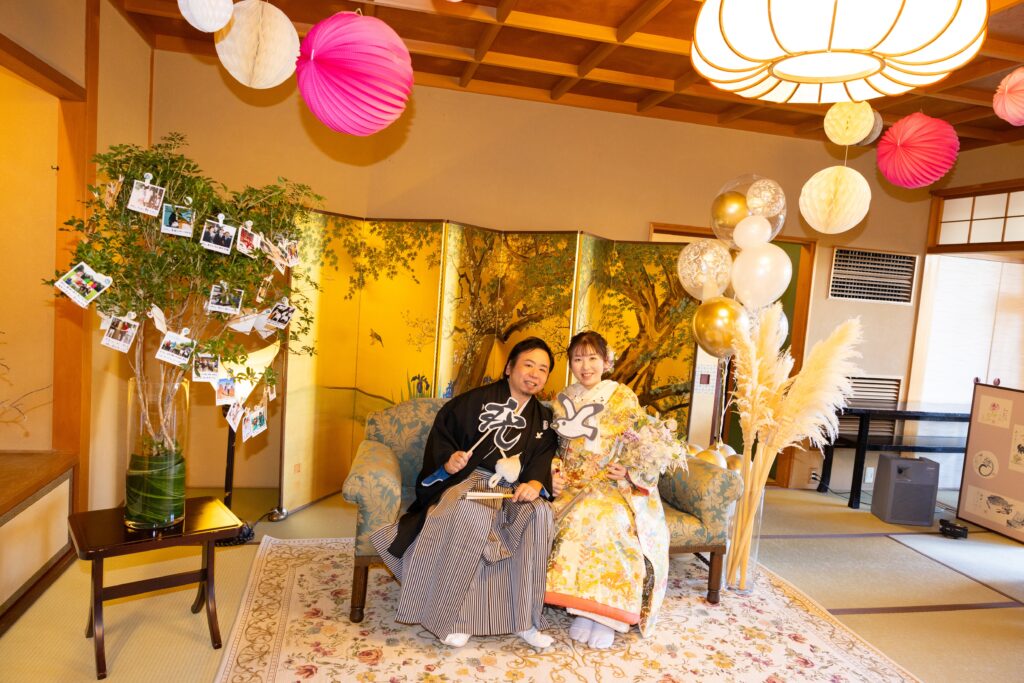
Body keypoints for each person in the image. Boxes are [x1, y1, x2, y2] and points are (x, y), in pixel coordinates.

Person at [371, 337, 559, 649]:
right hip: (471, 481)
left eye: (543, 369)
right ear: (509, 367)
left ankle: (524, 619)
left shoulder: (543, 418)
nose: (535, 374)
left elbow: (542, 458)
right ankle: (455, 619)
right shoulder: (472, 402)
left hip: (512, 489)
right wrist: (449, 461)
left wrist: (536, 484)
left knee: (539, 514)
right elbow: (443, 439)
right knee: (472, 513)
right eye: (528, 365)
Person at [545, 331, 670, 649]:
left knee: (607, 520)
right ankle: (584, 610)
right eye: (578, 359)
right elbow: (553, 448)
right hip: (572, 486)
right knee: (572, 517)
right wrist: (555, 471)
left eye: (592, 358)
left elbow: (643, 443)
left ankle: (607, 618)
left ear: (606, 361)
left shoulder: (623, 397)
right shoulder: (562, 399)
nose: (585, 366)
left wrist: (628, 471)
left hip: (612, 486)